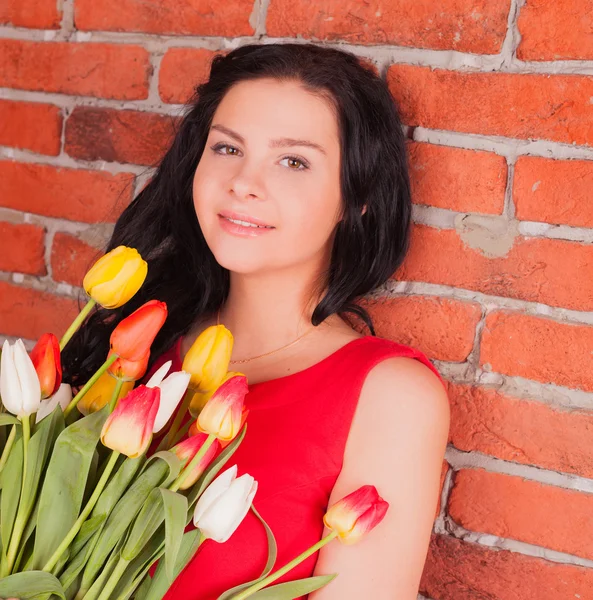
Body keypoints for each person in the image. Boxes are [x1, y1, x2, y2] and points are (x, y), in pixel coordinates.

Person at [63, 42, 450, 599]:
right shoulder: (136, 341)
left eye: (293, 160)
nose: (243, 182)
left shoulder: (390, 397)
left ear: (356, 198)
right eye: (226, 148)